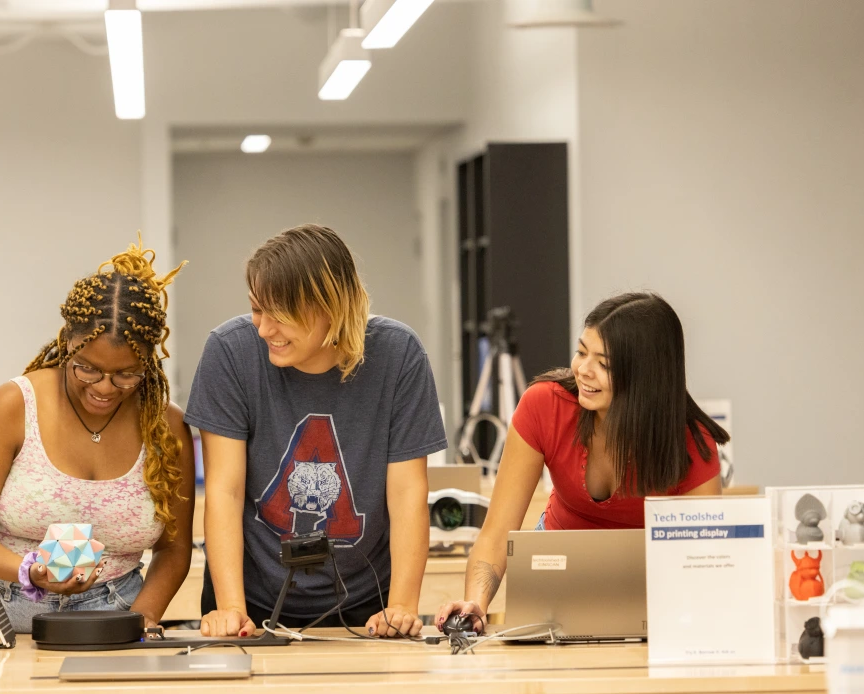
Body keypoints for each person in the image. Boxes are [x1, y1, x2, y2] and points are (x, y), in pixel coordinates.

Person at [185, 224, 447, 638]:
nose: (264, 329)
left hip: (366, 602)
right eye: (256, 309)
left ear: (333, 307)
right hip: (252, 602)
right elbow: (224, 491)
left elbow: (407, 492)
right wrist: (231, 608)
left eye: (281, 316)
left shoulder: (399, 355)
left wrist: (400, 606)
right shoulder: (230, 351)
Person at [438, 292, 729, 632]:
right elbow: (497, 534)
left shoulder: (691, 445)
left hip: (651, 592)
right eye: (581, 352)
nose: (583, 370)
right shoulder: (544, 405)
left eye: (604, 364)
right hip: (555, 575)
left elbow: (702, 564)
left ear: (645, 378)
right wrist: (476, 603)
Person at [0, 240, 195, 634]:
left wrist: (142, 618)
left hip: (117, 612)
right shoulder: (13, 406)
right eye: (87, 369)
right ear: (67, 342)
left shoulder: (167, 427)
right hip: (2, 611)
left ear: (149, 361)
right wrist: (29, 570)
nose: (106, 388)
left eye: (127, 374)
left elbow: (174, 549)